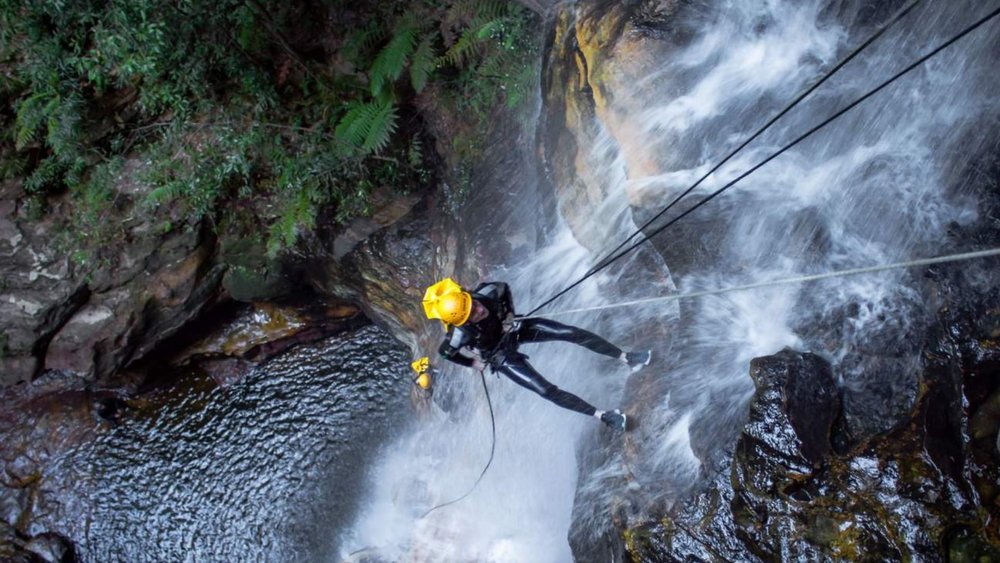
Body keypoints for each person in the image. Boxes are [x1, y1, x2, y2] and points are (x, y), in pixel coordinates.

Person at [421, 278, 651, 431]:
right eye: (472, 313)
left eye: (474, 304)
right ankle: (604, 416)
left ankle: (627, 357)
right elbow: (446, 353)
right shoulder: (459, 335)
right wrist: (473, 362)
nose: (479, 309)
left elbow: (504, 288)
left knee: (571, 333)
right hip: (498, 354)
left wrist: (509, 315)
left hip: (514, 328)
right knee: (545, 390)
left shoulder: (486, 293)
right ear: (463, 321)